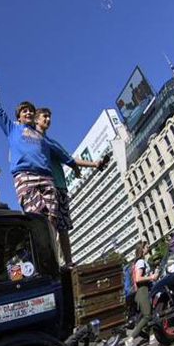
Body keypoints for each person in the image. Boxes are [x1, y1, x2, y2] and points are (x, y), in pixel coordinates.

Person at [0, 75, 76, 264]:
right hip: (25, 176)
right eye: (24, 111)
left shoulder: (41, 136)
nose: (28, 113)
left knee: (52, 218)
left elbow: (62, 153)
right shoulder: (13, 129)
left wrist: (74, 166)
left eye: (30, 111)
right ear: (18, 116)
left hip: (46, 178)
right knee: (36, 216)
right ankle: (32, 256)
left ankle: (51, 257)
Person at [34, 107, 107, 265]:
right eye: (44, 116)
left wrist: (83, 165)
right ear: (36, 119)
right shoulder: (34, 141)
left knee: (63, 227)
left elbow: (69, 159)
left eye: (49, 117)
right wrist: (92, 164)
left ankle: (68, 262)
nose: (48, 120)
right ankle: (51, 262)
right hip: (47, 186)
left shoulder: (52, 142)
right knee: (50, 226)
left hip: (60, 186)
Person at [125, 241, 158, 346]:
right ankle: (130, 339)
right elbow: (138, 278)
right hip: (142, 291)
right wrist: (152, 277)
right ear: (142, 249)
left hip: (144, 290)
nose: (148, 248)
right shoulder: (140, 262)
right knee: (147, 315)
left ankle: (152, 336)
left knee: (151, 312)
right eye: (146, 246)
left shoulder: (140, 262)